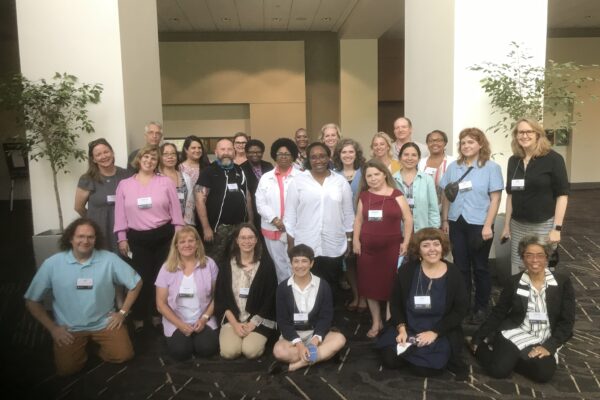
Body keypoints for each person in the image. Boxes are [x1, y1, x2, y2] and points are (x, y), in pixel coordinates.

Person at [24, 218, 142, 376]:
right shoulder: (52, 264)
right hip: (69, 328)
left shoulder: (109, 259)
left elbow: (136, 283)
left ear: (96, 239)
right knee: (67, 370)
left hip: (104, 323)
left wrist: (122, 313)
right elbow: (31, 300)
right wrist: (53, 329)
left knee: (124, 355)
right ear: (70, 238)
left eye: (90, 237)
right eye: (80, 236)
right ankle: (83, 347)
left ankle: (95, 349)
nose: (85, 241)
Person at [469, 235, 575, 383]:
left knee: (543, 374)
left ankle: (511, 358)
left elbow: (567, 321)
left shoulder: (562, 282)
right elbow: (499, 312)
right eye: (529, 255)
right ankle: (482, 347)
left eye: (539, 255)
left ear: (547, 257)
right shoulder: (514, 281)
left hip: (545, 336)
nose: (534, 260)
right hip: (516, 333)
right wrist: (478, 337)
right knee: (498, 371)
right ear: (523, 258)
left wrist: (549, 346)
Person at [379, 228, 468, 378]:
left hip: (439, 330)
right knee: (389, 360)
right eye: (426, 245)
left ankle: (416, 355)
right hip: (409, 327)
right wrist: (401, 329)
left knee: (427, 369)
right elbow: (395, 304)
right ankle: (414, 352)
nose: (432, 249)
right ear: (418, 250)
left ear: (442, 247)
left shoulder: (454, 273)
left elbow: (460, 310)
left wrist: (435, 332)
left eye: (436, 244)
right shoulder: (406, 271)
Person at [114, 145, 184, 330]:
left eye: (153, 158)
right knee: (139, 280)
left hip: (164, 237)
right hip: (136, 239)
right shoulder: (125, 184)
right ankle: (138, 317)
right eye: (145, 157)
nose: (149, 161)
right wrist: (122, 237)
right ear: (138, 160)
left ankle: (157, 315)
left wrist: (178, 234)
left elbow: (176, 211)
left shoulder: (165, 182)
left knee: (161, 279)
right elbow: (120, 214)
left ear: (157, 162)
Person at [440, 128, 503, 325]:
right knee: (461, 267)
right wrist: (445, 221)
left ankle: (481, 307)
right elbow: (446, 196)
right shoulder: (453, 167)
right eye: (463, 142)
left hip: (479, 224)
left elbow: (495, 199)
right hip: (457, 222)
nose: (466, 146)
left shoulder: (491, 168)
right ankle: (463, 306)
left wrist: (488, 225)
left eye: (471, 142)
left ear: (480, 144)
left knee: (481, 268)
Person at [354, 160, 413, 338]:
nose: (373, 178)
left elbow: (408, 220)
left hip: (391, 248)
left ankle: (389, 322)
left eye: (376, 174)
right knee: (369, 285)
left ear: (385, 174)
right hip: (367, 249)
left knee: (390, 285)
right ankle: (376, 322)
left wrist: (407, 242)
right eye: (369, 176)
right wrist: (355, 241)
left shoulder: (396, 194)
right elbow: (358, 220)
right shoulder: (364, 196)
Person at [284, 142, 354, 291]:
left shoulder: (340, 182)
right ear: (308, 160)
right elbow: (289, 216)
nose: (318, 160)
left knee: (331, 285)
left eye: (322, 156)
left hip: (334, 244)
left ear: (329, 158)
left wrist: (349, 240)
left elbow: (348, 214)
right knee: (308, 285)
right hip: (306, 242)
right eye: (313, 157)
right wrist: (291, 244)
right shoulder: (297, 182)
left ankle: (329, 313)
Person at [501, 118, 569, 271]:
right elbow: (511, 195)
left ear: (538, 134)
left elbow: (562, 195)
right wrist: (506, 225)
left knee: (542, 267)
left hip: (543, 225)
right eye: (520, 132)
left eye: (528, 132)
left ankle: (542, 296)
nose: (524, 136)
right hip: (518, 225)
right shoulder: (514, 161)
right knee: (521, 266)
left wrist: (556, 229)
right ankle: (524, 295)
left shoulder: (554, 159)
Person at [273, 244, 346, 371]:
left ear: (311, 264)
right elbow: (283, 321)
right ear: (291, 263)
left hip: (315, 333)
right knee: (279, 351)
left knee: (339, 339)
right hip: (293, 337)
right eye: (296, 261)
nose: (300, 265)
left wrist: (314, 341)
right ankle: (323, 355)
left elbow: (326, 317)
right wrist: (300, 345)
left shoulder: (323, 286)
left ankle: (296, 365)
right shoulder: (283, 288)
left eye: (304, 261)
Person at [155, 226, 219, 361]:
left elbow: (217, 296)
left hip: (203, 319)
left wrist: (204, 318)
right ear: (176, 245)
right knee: (181, 352)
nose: (187, 245)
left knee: (207, 349)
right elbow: (161, 304)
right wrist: (180, 324)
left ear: (197, 243)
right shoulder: (166, 268)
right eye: (182, 242)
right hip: (177, 320)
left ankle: (199, 338)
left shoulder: (209, 264)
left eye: (191, 241)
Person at [214, 223, 278, 359]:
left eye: (250, 237)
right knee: (229, 352)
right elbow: (221, 298)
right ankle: (235, 337)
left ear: (256, 240)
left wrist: (252, 324)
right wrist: (235, 325)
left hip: (258, 320)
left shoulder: (266, 266)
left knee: (250, 351)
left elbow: (270, 299)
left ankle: (251, 340)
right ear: (237, 240)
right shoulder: (227, 265)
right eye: (242, 238)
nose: (246, 241)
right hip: (233, 319)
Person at [194, 138, 253, 264]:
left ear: (234, 152)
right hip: (217, 230)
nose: (226, 152)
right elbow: (200, 200)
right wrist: (206, 228)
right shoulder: (208, 171)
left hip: (239, 228)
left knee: (238, 262)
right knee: (215, 263)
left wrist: (250, 222)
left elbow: (247, 196)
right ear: (216, 152)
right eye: (222, 149)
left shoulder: (239, 170)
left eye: (229, 149)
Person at [255, 138, 301, 283]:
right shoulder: (265, 177)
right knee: (280, 267)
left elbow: (305, 203)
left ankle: (299, 297)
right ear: (275, 156)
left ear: (293, 156)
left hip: (294, 230)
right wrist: (275, 219)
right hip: (272, 229)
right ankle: (285, 297)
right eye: (280, 154)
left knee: (296, 264)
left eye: (287, 154)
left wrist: (287, 223)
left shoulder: (302, 176)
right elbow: (260, 202)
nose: (283, 157)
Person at [75, 138, 130, 253]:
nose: (104, 156)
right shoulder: (87, 179)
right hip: (99, 232)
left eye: (106, 152)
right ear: (93, 159)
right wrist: (93, 218)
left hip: (124, 233)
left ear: (112, 152)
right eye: (98, 154)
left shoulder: (126, 175)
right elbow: (78, 207)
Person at [332, 138, 367, 312]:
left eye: (351, 152)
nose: (347, 155)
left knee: (364, 261)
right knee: (349, 262)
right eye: (343, 152)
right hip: (340, 225)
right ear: (339, 154)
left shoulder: (365, 172)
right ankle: (356, 296)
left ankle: (365, 298)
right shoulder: (332, 174)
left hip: (365, 224)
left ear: (356, 154)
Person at [393, 142, 440, 232]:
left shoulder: (427, 180)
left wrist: (433, 230)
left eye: (414, 155)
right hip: (398, 231)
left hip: (422, 231)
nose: (410, 158)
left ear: (419, 159)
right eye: (406, 155)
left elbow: (433, 209)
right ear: (400, 158)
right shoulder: (392, 179)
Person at [240, 139, 274, 234]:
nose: (255, 154)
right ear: (246, 153)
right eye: (251, 152)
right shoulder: (241, 169)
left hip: (269, 207)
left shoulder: (268, 166)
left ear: (262, 153)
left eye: (258, 152)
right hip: (251, 209)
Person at [418, 130, 456, 209]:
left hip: (448, 208)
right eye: (431, 141)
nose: (434, 143)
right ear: (427, 144)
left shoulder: (453, 162)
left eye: (438, 140)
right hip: (425, 208)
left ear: (445, 143)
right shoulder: (420, 162)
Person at [179, 136, 211, 225]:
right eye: (193, 148)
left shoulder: (208, 167)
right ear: (186, 150)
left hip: (206, 209)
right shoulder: (179, 168)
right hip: (185, 212)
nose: (197, 150)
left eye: (199, 148)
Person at [159, 142, 188, 219]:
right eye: (165, 154)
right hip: (162, 223)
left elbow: (190, 202)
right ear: (160, 157)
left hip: (184, 223)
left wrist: (186, 222)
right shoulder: (155, 178)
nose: (170, 157)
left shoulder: (186, 177)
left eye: (173, 154)